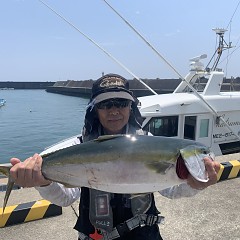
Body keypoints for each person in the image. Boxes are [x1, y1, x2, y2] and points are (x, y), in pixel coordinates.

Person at [10, 73, 220, 240]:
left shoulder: (149, 142)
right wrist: (42, 182)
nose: (114, 111)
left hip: (143, 235)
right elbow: (66, 198)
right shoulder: (79, 146)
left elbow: (172, 190)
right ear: (94, 109)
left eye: (121, 103)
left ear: (131, 107)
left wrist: (195, 185)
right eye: (105, 104)